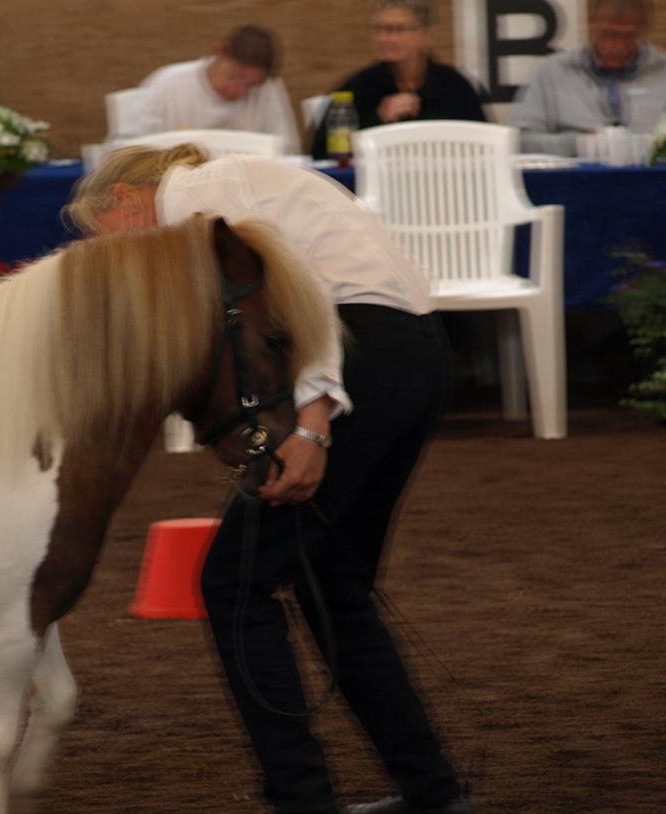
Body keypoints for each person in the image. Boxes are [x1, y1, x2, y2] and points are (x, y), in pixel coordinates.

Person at [66, 144, 471, 814]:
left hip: (361, 356)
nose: (114, 252)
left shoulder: (201, 198)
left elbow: (299, 301)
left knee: (233, 582)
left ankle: (302, 798)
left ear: (125, 201)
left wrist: (313, 427)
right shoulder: (236, 185)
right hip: (413, 359)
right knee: (333, 587)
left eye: (102, 234)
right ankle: (432, 793)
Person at [512, 0, 666, 155]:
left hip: (658, 177)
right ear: (591, 24)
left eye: (628, 36)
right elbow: (522, 141)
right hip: (575, 178)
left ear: (645, 29)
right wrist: (580, 144)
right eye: (607, 34)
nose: (616, 45)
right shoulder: (549, 73)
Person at [311, 0, 487, 160]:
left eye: (397, 29)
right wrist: (378, 119)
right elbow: (321, 154)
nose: (384, 38)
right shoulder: (360, 86)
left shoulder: (454, 86)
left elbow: (485, 146)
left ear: (426, 35)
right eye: (380, 29)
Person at [119, 24, 301, 153]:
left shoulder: (267, 89)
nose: (238, 91)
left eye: (250, 86)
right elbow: (129, 148)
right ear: (219, 53)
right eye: (235, 77)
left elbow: (286, 150)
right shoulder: (167, 83)